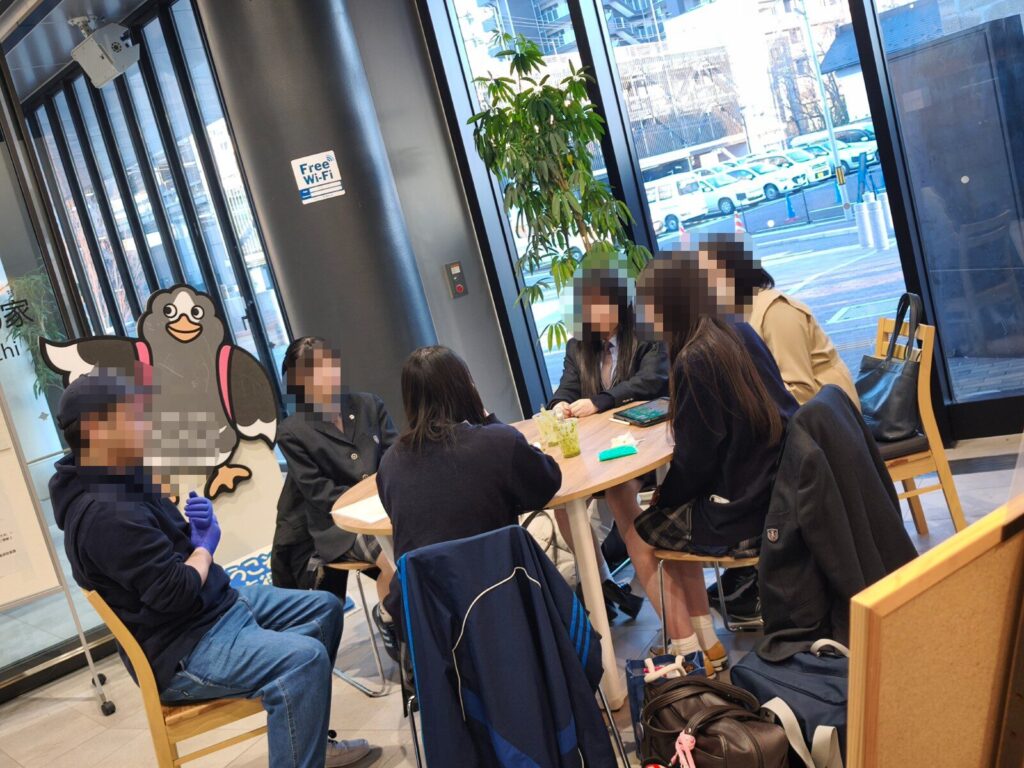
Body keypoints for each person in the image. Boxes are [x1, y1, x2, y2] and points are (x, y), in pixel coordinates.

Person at [50, 366, 371, 768]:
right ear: (96, 430)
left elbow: (175, 553)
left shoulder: (123, 474)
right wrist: (204, 546)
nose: (144, 423)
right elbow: (175, 591)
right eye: (131, 414)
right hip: (183, 647)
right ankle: (296, 715)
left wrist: (192, 535)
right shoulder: (105, 514)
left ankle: (306, 735)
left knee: (324, 607)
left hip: (210, 609)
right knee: (303, 659)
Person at [632, 250, 798, 673]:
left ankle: (688, 650)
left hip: (744, 510)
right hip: (780, 487)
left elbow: (696, 461)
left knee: (645, 532)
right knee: (670, 511)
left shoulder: (694, 357)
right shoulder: (736, 329)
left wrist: (663, 497)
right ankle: (706, 641)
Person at [376, 345, 562, 624]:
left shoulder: (390, 463)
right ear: (465, 387)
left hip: (431, 618)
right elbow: (547, 483)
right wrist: (488, 420)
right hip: (502, 596)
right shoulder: (498, 442)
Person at [547, 266, 669, 620]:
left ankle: (654, 584)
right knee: (562, 499)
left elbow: (651, 381)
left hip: (643, 445)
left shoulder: (646, 334)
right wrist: (559, 406)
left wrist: (602, 401)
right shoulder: (578, 346)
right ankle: (603, 582)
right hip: (596, 449)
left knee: (619, 494)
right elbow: (567, 387)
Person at [274, 336, 399, 657]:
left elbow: (396, 458)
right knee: (396, 561)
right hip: (341, 527)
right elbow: (320, 493)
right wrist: (369, 506)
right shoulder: (293, 431)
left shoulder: (369, 405)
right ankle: (393, 621)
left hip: (390, 508)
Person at [700, 233, 859, 407]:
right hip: (794, 411)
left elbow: (801, 391)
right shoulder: (733, 313)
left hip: (829, 414)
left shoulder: (775, 310)